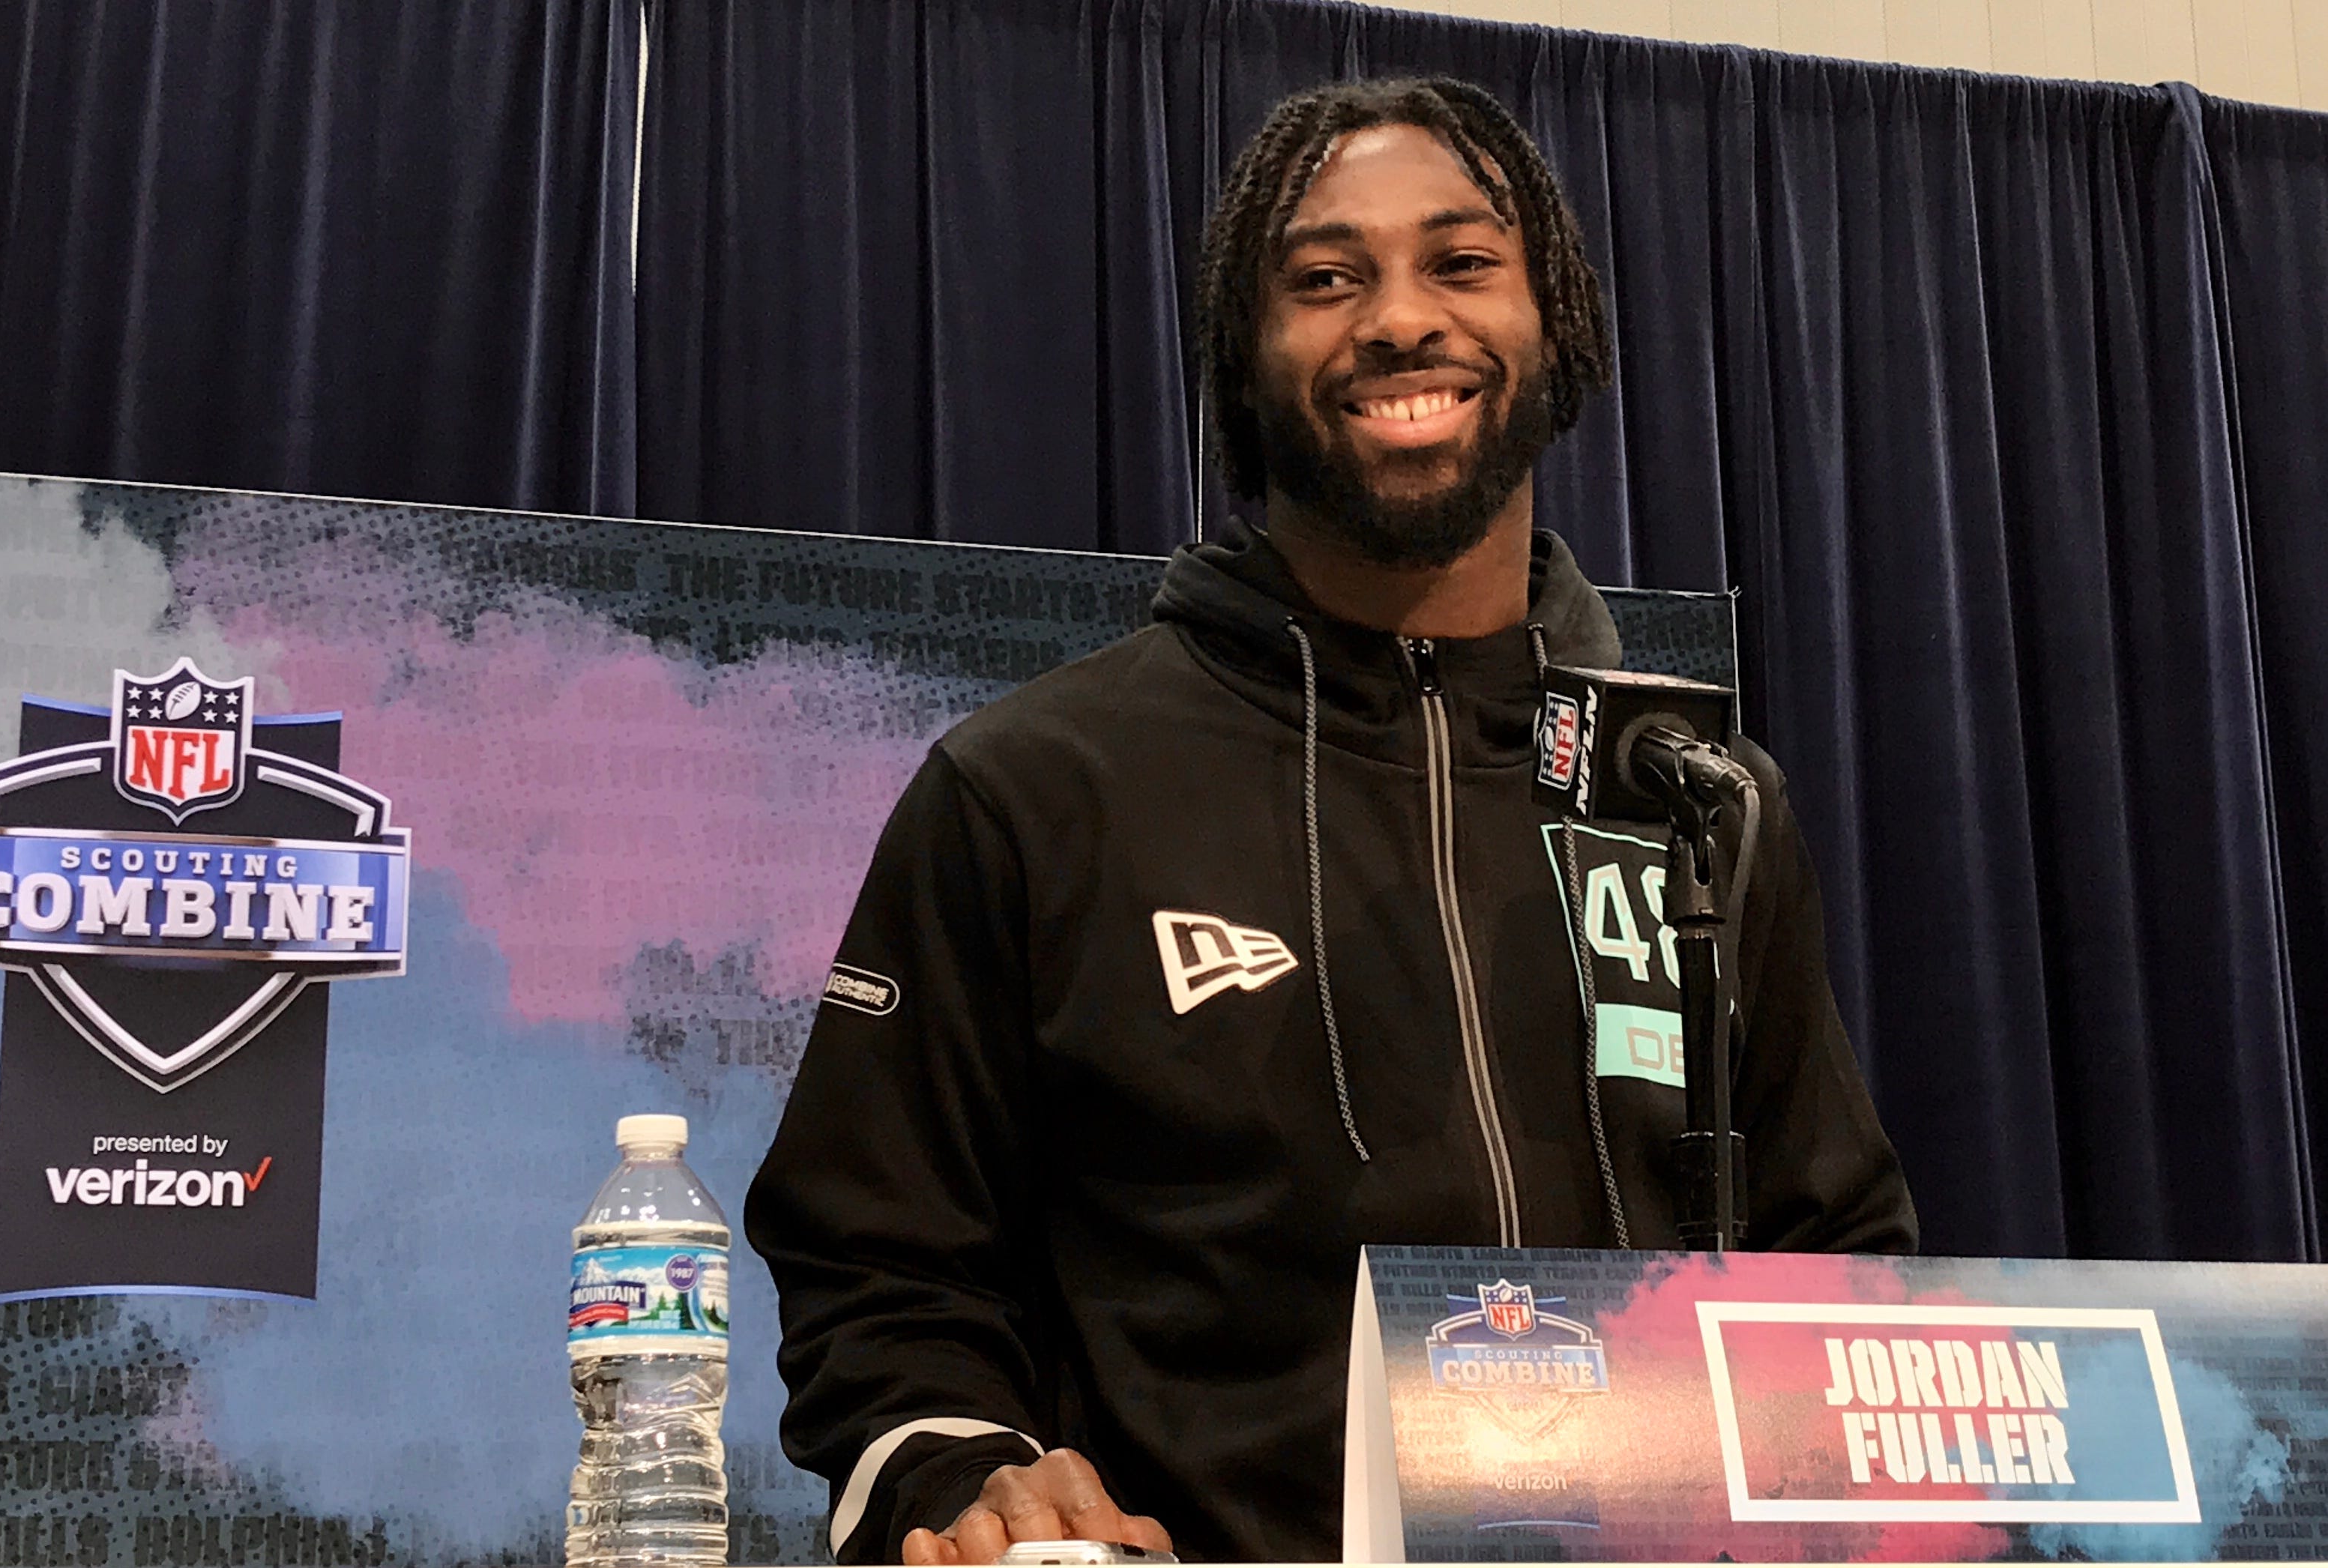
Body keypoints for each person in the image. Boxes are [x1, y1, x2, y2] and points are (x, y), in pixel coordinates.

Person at [747, 75, 1917, 1566]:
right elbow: (874, 1269)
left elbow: (1834, 1264)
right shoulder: (1032, 789)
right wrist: (968, 1476)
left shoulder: (1693, 794)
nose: (1399, 319)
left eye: (1463, 261)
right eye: (1323, 279)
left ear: (1552, 322)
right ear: (1243, 365)